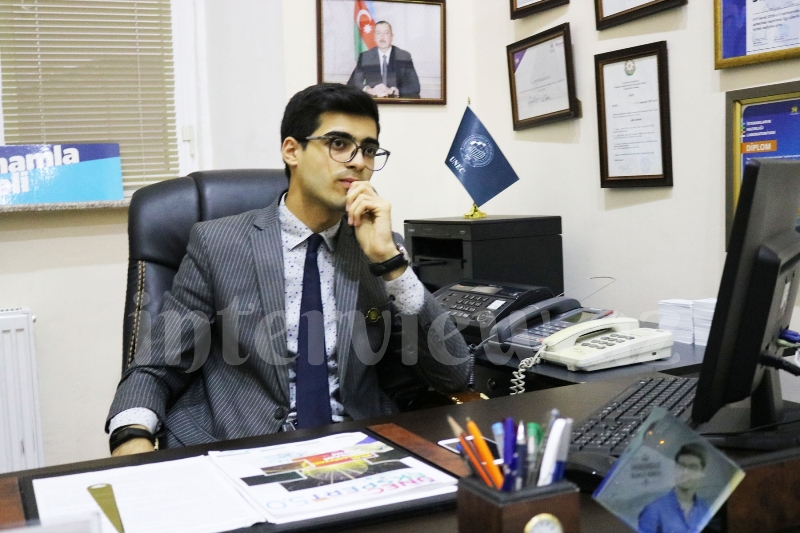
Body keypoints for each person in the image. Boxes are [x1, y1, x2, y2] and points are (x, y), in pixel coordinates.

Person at [106, 82, 470, 455]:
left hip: (356, 447)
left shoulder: (378, 246)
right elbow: (157, 365)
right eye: (339, 144)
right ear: (292, 150)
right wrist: (130, 435)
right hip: (241, 446)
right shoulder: (218, 243)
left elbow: (454, 374)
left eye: (369, 149)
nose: (359, 162)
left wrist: (390, 264)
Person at [638, 443, 711, 533]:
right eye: (681, 466)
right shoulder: (654, 510)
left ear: (702, 472)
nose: (685, 472)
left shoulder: (705, 510)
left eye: (692, 467)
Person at [347, 21, 420, 98]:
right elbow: (352, 83)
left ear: (392, 36)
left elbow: (415, 87)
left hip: (396, 102)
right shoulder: (365, 57)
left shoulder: (403, 56)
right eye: (378, 33)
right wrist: (369, 90)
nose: (382, 37)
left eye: (386, 33)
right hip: (373, 101)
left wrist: (392, 90)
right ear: (374, 37)